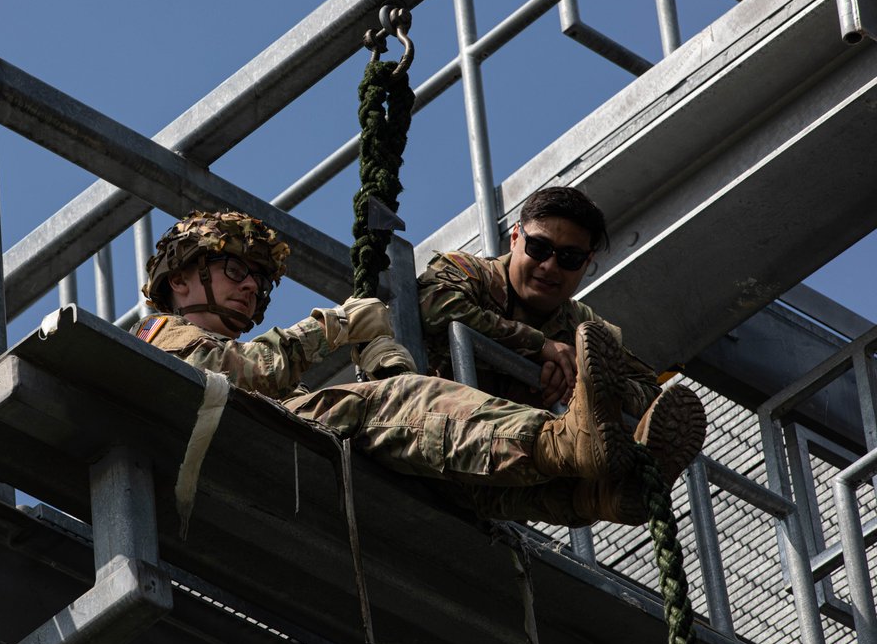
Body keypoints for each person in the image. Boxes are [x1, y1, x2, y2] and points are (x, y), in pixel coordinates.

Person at [130, 210, 706, 527]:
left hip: (288, 454)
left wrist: (380, 349)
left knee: (470, 488)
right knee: (399, 403)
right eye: (234, 269)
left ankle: (597, 496)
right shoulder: (159, 335)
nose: (251, 285)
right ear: (180, 282)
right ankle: (565, 444)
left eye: (257, 277)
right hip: (261, 448)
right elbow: (253, 373)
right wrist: (335, 326)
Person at [416, 187, 701, 522]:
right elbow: (436, 309)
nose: (549, 267)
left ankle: (607, 499)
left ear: (587, 262)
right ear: (514, 238)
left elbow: (650, 392)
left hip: (503, 483)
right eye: (538, 248)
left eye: (569, 258)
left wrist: (584, 384)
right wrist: (540, 349)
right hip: (431, 443)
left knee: (578, 492)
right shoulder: (469, 272)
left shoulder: (584, 327)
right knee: (553, 450)